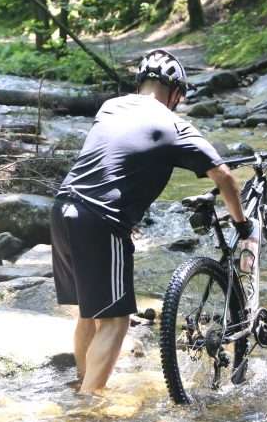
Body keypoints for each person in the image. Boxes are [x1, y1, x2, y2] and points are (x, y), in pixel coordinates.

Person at [50, 49, 255, 394]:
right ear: (176, 93)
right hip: (101, 220)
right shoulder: (174, 126)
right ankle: (87, 409)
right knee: (115, 321)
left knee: (90, 313)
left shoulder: (110, 106)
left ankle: (79, 388)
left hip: (63, 206)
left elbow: (115, 158)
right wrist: (242, 224)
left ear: (140, 82)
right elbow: (224, 176)